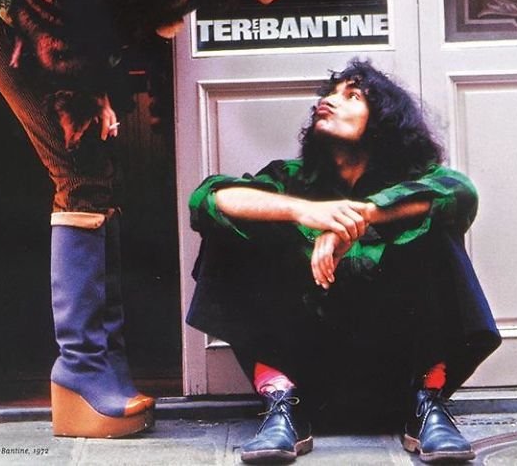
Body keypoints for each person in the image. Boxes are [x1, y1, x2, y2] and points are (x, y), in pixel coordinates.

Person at [0, 0, 315, 438]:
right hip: (0, 22)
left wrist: (96, 84)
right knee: (81, 180)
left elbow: (103, 9)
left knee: (97, 180)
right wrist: (81, 88)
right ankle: (79, 368)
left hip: (26, 25)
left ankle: (103, 362)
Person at [187, 59, 500, 464]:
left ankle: (430, 405)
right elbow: (207, 198)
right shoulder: (292, 179)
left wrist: (358, 217)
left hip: (398, 377)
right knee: (234, 221)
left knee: (438, 224)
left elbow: (460, 192)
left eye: (351, 95)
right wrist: (304, 213)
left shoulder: (415, 183)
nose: (329, 102)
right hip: (304, 378)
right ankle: (280, 403)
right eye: (329, 94)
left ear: (384, 121)